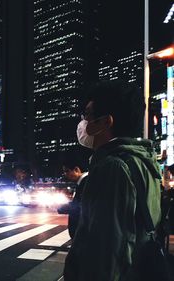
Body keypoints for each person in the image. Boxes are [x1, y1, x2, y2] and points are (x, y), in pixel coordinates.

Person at [64, 80, 162, 281]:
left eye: (88, 115)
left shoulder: (112, 167)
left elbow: (105, 252)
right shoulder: (143, 161)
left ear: (106, 122)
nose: (83, 122)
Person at [57, 161, 88, 239]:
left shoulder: (86, 182)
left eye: (67, 171)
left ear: (76, 170)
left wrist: (63, 207)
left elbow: (84, 206)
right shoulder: (82, 182)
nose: (65, 174)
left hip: (82, 232)